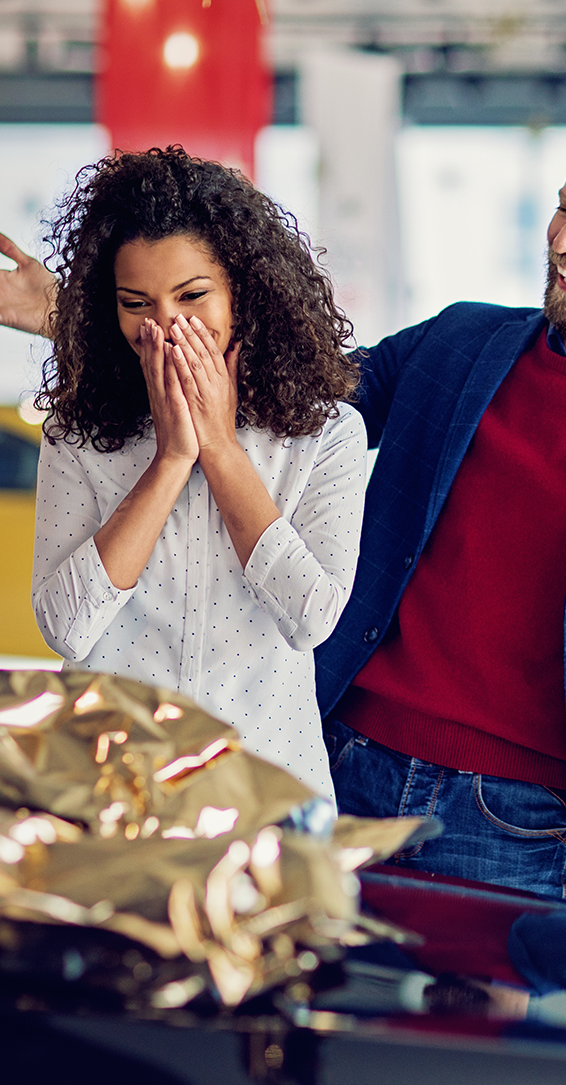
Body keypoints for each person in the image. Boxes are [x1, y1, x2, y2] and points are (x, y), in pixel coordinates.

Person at [0, 119, 566, 901]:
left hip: (515, 810)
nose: (565, 238)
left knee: (465, 1068)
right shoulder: (461, 344)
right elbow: (290, 383)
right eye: (565, 209)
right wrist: (86, 319)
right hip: (348, 759)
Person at [22, 147, 366, 796]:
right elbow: (67, 630)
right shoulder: (77, 435)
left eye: (192, 295)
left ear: (247, 292)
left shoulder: (325, 435)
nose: (165, 327)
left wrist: (222, 451)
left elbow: (311, 617)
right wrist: (172, 460)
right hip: (110, 798)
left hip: (265, 800)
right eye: (136, 303)